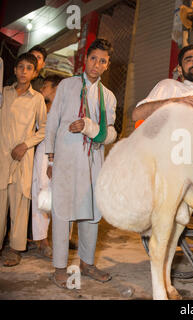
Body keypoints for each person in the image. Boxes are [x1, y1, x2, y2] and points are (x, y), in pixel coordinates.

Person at [44, 39, 117, 288]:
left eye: (103, 61)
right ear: (85, 59)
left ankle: (87, 263)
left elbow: (110, 133)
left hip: (93, 161)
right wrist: (50, 157)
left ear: (108, 65)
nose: (97, 64)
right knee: (63, 212)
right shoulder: (67, 85)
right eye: (93, 58)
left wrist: (89, 126)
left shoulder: (108, 97)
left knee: (91, 214)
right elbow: (52, 121)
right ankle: (60, 267)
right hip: (65, 159)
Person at [0, 53, 47, 266]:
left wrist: (26, 145)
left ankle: (14, 248)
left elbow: (44, 128)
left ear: (35, 73)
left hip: (22, 158)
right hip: (1, 157)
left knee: (19, 204)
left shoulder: (37, 99)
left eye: (29, 68)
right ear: (14, 70)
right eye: (20, 67)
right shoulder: (4, 94)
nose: (24, 71)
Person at [132, 42, 193, 122]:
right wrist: (175, 102)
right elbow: (137, 115)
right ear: (180, 69)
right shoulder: (169, 85)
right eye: (189, 60)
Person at [31, 74, 65, 259]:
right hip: (43, 150)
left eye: (46, 86)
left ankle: (63, 238)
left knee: (63, 193)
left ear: (56, 88)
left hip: (62, 151)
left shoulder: (66, 107)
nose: (42, 89)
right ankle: (41, 240)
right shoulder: (41, 105)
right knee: (41, 190)